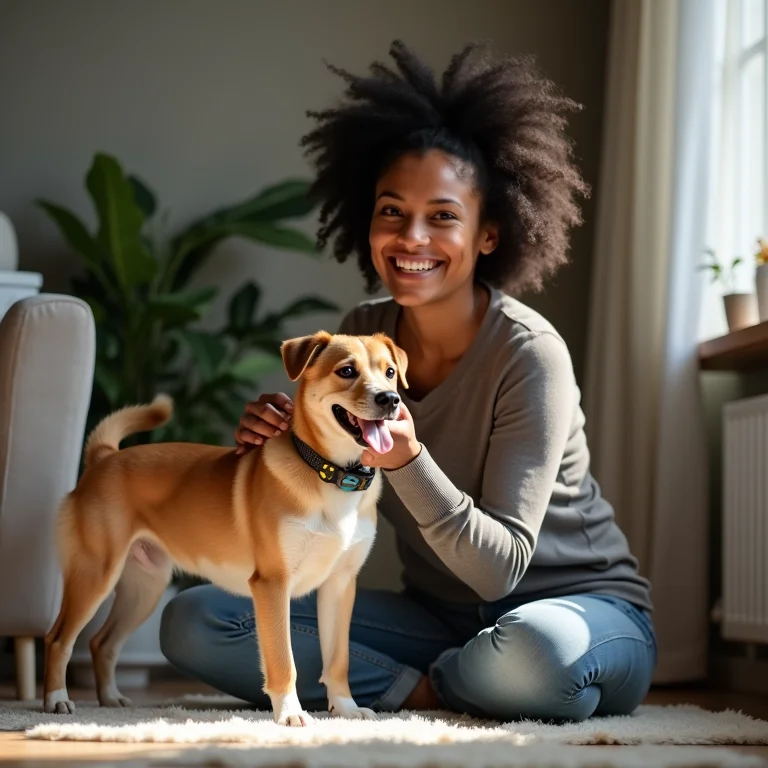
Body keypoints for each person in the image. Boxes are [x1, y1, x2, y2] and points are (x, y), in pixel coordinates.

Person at [160, 40, 657, 722]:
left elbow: (500, 568)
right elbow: (331, 480)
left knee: (535, 658)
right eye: (391, 211)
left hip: (578, 611)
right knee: (197, 618)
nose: (410, 236)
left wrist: (409, 458)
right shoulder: (364, 329)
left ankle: (427, 683)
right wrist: (286, 444)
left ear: (488, 233)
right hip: (437, 619)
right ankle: (438, 688)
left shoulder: (529, 354)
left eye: (443, 216)